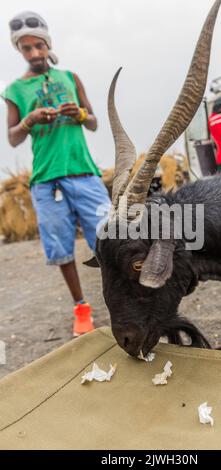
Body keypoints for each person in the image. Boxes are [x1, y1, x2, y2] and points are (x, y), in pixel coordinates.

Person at [1, 12, 112, 337]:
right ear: (19, 50)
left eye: (38, 46)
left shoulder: (70, 77)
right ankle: (81, 307)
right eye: (26, 48)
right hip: (47, 181)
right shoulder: (15, 89)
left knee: (109, 240)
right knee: (61, 248)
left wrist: (78, 113)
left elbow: (93, 121)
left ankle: (122, 297)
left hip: (84, 173)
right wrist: (30, 120)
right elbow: (13, 137)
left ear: (47, 44)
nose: (34, 53)